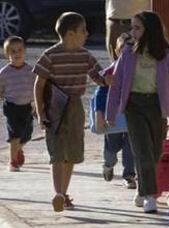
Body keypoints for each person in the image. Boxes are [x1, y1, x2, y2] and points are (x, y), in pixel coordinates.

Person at [33, 12, 111, 212]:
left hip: (75, 107)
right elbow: (39, 84)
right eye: (83, 30)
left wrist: (110, 79)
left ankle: (63, 193)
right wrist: (41, 113)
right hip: (55, 107)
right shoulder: (50, 55)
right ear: (70, 34)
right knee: (57, 152)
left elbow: (98, 76)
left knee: (72, 152)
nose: (87, 34)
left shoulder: (85, 55)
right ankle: (59, 193)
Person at [107, 11, 169, 214]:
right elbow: (117, 84)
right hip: (134, 106)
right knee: (142, 151)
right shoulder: (128, 53)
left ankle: (142, 190)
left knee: (155, 152)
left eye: (137, 28)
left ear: (150, 30)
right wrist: (111, 112)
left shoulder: (165, 55)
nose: (132, 32)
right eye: (132, 27)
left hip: (157, 106)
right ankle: (150, 196)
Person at [91, 33, 136, 189]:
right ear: (117, 52)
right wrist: (99, 114)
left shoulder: (138, 70)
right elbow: (101, 92)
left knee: (131, 148)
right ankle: (108, 165)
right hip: (113, 118)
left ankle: (129, 175)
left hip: (131, 117)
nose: (128, 53)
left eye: (132, 49)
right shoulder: (111, 71)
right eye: (123, 49)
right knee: (112, 148)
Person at [0, 36, 35, 172]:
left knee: (27, 134)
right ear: (7, 54)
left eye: (19, 50)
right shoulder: (4, 73)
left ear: (24, 51)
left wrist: (38, 104)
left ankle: (19, 149)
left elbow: (36, 87)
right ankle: (12, 161)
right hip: (12, 106)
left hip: (27, 106)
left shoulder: (31, 71)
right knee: (14, 134)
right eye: (13, 51)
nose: (17, 54)